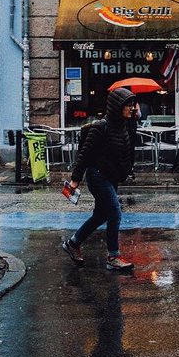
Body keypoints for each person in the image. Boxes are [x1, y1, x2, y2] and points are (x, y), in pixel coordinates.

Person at [62, 86, 139, 271]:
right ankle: (113, 256)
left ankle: (73, 243)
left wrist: (135, 120)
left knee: (101, 215)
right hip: (98, 176)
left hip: (111, 176)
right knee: (114, 212)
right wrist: (75, 179)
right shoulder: (100, 127)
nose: (132, 108)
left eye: (132, 105)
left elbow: (129, 148)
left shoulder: (124, 125)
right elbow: (85, 155)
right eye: (128, 105)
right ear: (117, 106)